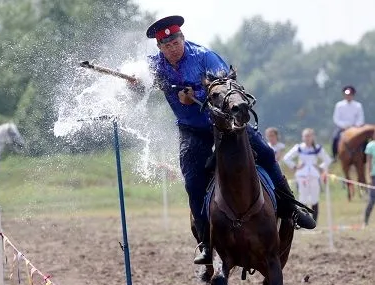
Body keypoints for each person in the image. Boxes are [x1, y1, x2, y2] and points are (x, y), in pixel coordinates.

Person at [131, 15, 316, 265]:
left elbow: (227, 87)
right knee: (193, 181)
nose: (172, 48)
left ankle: (290, 207)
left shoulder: (205, 57)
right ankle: (206, 242)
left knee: (266, 153)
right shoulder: (154, 66)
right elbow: (138, 84)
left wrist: (196, 94)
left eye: (175, 42)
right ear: (160, 48)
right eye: (166, 45)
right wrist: (134, 84)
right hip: (191, 131)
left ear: (182, 39)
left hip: (226, 124)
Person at [283, 128, 332, 222]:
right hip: (302, 176)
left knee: (315, 198)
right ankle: (303, 222)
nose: (307, 138)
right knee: (302, 198)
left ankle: (314, 222)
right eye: (305, 136)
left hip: (314, 176)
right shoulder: (299, 147)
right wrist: (295, 166)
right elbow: (287, 158)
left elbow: (327, 160)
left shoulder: (317, 148)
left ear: (313, 137)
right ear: (302, 137)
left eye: (309, 136)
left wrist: (320, 167)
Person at [332, 85, 365, 160]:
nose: (348, 96)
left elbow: (361, 118)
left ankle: (364, 156)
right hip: (342, 127)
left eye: (350, 95)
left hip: (355, 128)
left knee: (364, 139)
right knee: (335, 138)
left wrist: (355, 126)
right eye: (346, 95)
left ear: (353, 95)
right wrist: (344, 126)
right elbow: (336, 118)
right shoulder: (339, 105)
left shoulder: (358, 105)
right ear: (344, 95)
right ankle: (334, 156)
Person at [364, 133, 375, 226]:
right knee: (372, 200)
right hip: (373, 175)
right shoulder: (371, 146)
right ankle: (366, 220)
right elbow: (368, 162)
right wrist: (368, 176)